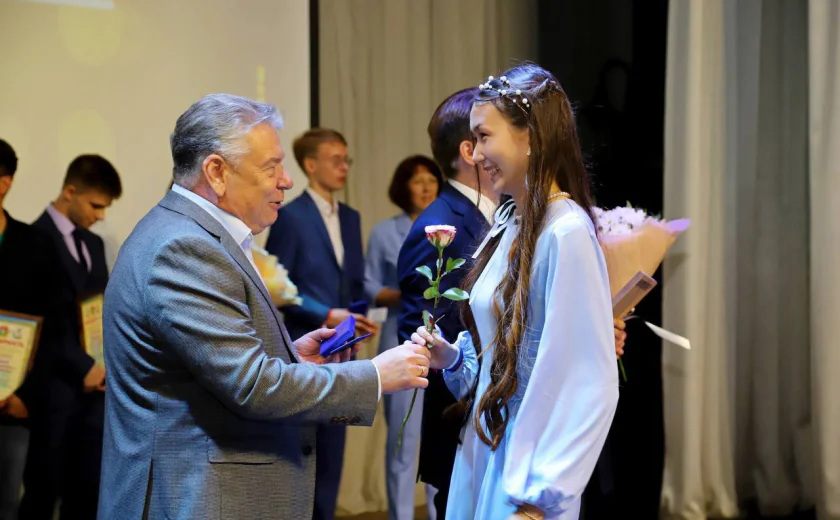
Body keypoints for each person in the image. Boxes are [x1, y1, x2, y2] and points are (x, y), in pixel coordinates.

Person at [97, 93, 430, 520]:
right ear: (216, 172)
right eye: (271, 167)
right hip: (193, 499)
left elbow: (214, 368)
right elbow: (252, 386)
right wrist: (376, 375)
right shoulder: (184, 247)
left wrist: (292, 358)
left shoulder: (189, 234)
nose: (286, 181)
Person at [410, 64, 619, 519]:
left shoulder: (565, 232)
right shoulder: (508, 222)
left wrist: (540, 497)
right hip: (483, 444)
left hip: (524, 463)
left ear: (531, 136)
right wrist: (454, 358)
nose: (476, 154)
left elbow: (584, 382)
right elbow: (499, 358)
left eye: (485, 136)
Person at [396, 88, 500, 520]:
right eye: (491, 135)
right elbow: (417, 330)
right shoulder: (439, 225)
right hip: (461, 422)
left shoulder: (503, 213)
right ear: (469, 151)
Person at [265, 127, 378, 520]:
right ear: (310, 165)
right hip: (305, 344)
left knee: (334, 446)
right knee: (304, 446)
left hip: (343, 346)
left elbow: (354, 282)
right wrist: (326, 314)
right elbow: (278, 285)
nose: (344, 167)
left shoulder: (351, 217)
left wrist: (359, 321)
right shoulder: (290, 216)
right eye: (335, 160)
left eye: (347, 159)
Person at [21, 154, 122, 520]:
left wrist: (105, 363)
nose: (101, 216)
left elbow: (101, 310)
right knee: (43, 490)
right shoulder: (31, 239)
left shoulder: (94, 245)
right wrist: (82, 366)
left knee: (88, 491)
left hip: (95, 393)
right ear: (70, 191)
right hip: (54, 388)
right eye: (96, 205)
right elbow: (40, 321)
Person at [364, 155, 443, 520]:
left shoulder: (448, 227)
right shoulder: (384, 232)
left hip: (443, 342)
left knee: (439, 439)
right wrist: (405, 295)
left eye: (431, 179)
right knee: (403, 439)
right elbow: (368, 285)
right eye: (417, 180)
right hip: (399, 338)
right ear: (403, 187)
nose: (426, 187)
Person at [0, 140, 64, 520]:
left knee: (7, 504)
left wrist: (23, 395)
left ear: (4, 183)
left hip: (12, 408)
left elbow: (53, 329)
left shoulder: (35, 246)